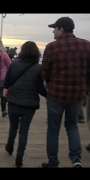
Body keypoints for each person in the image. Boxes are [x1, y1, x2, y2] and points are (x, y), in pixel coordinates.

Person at [41, 17, 90, 168]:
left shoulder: (51, 48)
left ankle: (53, 162)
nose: (53, 31)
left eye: (54, 28)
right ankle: (76, 159)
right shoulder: (86, 45)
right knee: (72, 126)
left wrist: (50, 84)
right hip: (77, 95)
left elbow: (45, 73)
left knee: (53, 129)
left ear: (61, 29)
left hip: (56, 94)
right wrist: (84, 87)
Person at [3, 41, 47, 167]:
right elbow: (40, 88)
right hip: (29, 105)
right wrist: (49, 96)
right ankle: (20, 156)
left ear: (22, 51)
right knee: (24, 131)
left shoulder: (14, 64)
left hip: (14, 102)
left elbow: (6, 83)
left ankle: (10, 146)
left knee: (13, 126)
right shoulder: (38, 68)